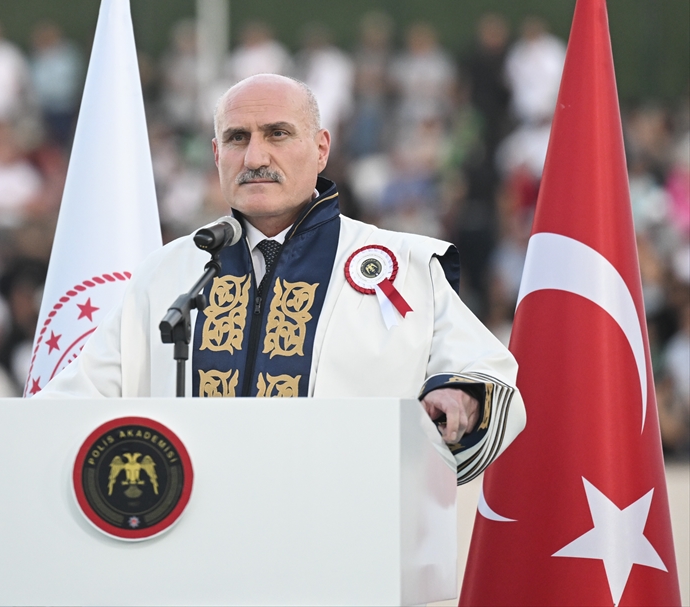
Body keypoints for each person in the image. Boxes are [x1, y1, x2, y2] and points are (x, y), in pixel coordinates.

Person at [39, 74, 526, 485]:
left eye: (276, 134)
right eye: (236, 138)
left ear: (320, 149)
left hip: (349, 554)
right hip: (191, 556)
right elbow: (79, 403)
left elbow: (483, 374)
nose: (254, 157)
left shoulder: (408, 265)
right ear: (215, 153)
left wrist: (458, 394)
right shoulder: (164, 273)